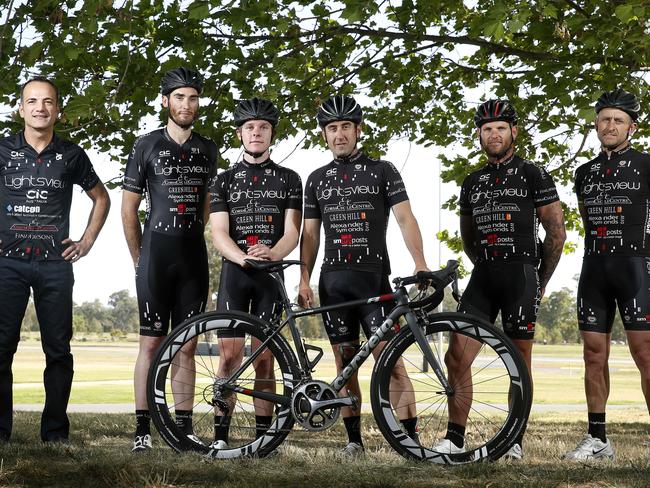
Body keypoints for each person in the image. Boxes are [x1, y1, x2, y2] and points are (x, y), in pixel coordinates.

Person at [298, 94, 428, 456]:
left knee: (391, 361)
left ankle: (410, 441)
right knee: (344, 363)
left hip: (374, 281)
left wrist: (419, 262)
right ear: (325, 134)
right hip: (333, 282)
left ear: (358, 130)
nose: (339, 134)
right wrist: (304, 279)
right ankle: (353, 441)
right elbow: (310, 235)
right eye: (332, 128)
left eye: (345, 127)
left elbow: (405, 218)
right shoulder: (316, 179)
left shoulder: (383, 170)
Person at [441, 99, 565, 459]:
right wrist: (483, 264)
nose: (493, 134)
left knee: (518, 362)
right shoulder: (472, 181)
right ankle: (455, 437)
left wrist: (540, 281)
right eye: (486, 129)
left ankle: (514, 440)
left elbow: (556, 234)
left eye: (500, 128)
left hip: (522, 276)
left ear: (514, 131)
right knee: (455, 357)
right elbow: (468, 237)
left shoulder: (534, 174)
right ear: (479, 135)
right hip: (484, 276)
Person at [0, 76, 110, 443]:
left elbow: (102, 198)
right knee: (1, 348)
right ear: (21, 108)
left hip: (55, 265)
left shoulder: (73, 155)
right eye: (32, 101)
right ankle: (1, 432)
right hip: (7, 264)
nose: (40, 108)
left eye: (47, 102)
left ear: (57, 110)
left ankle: (55, 434)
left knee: (58, 351)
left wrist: (87, 241)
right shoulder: (2, 150)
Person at [121, 68, 217, 452]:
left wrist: (189, 231)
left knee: (188, 345)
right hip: (154, 255)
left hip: (193, 253)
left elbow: (208, 207)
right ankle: (143, 430)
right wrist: (138, 259)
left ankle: (183, 428)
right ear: (165, 101)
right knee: (150, 344)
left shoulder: (209, 148)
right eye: (179, 98)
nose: (186, 105)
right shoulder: (145, 145)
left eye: (193, 98)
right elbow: (129, 210)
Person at [208, 97, 302, 449]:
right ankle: (220, 437)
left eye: (263, 127)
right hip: (236, 273)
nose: (256, 133)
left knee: (265, 359)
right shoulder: (224, 180)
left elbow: (292, 232)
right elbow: (218, 233)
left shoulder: (290, 179)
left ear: (272, 134)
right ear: (240, 134)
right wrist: (244, 259)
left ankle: (263, 440)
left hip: (271, 276)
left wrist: (272, 254)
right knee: (229, 357)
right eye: (250, 127)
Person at [565, 88, 650, 461]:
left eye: (618, 120)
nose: (610, 125)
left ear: (632, 127)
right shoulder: (583, 173)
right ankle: (597, 439)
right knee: (593, 354)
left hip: (637, 267)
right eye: (604, 119)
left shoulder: (647, 165)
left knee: (645, 353)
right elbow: (587, 220)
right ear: (596, 124)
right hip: (594, 268)